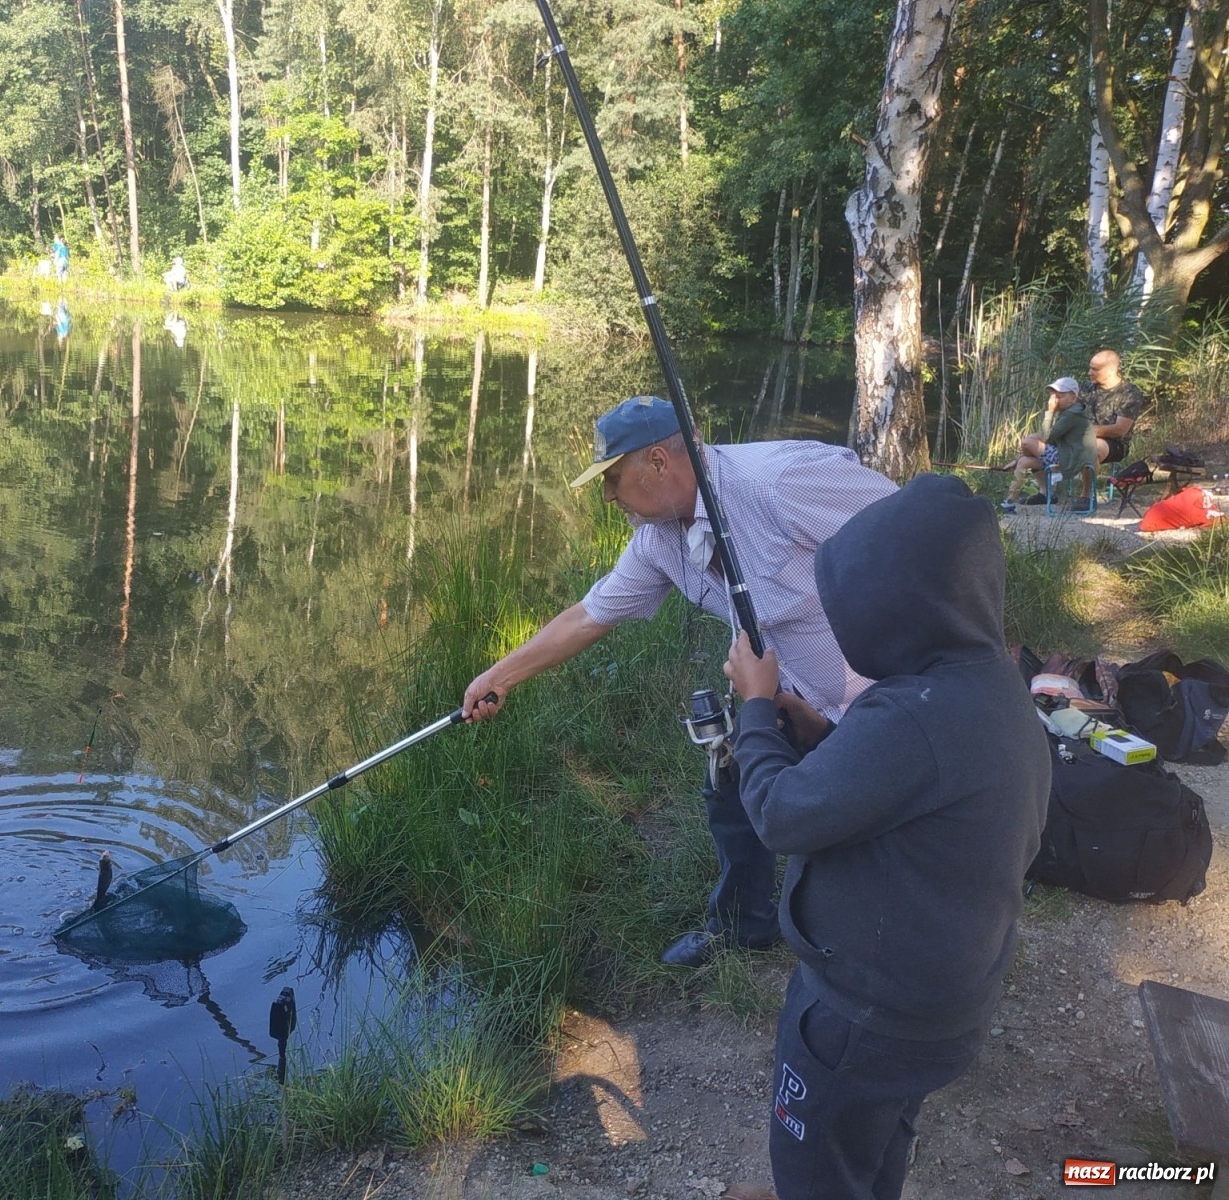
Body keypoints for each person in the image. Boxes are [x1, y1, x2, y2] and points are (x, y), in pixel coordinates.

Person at [461, 395, 897, 968]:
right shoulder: (661, 539)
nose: (610, 496)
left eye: (614, 479)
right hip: (790, 694)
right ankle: (744, 925)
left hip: (881, 694)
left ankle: (873, 930)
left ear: (660, 462)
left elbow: (912, 535)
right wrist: (500, 677)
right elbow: (590, 615)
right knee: (730, 777)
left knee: (869, 832)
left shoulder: (777, 482)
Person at [722, 473, 1049, 1200]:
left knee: (815, 1171)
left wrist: (753, 710)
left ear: (898, 611)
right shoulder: (995, 688)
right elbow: (916, 793)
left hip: (861, 1020)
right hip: (942, 1008)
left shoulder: (908, 718)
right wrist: (819, 735)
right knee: (874, 1148)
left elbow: (779, 815)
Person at [1003, 349, 1143, 505]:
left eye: (1095, 369)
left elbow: (1119, 430)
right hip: (1074, 437)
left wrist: (1081, 432)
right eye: (1090, 367)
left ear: (1111, 370)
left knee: (1091, 447)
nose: (1089, 372)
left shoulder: (1129, 393)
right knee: (1030, 440)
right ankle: (1045, 492)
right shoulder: (1086, 387)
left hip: (1111, 443)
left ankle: (1087, 496)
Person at [1001, 377, 1095, 512]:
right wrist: (1018, 460)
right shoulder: (1070, 411)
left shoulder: (1073, 414)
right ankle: (1013, 500)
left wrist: (1049, 412)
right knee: (1026, 459)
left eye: (1059, 396)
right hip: (1067, 452)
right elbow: (1051, 438)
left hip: (1072, 460)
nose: (1054, 400)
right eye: (1053, 396)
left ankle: (1015, 499)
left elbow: (1047, 436)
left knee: (1027, 442)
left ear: (1073, 397)